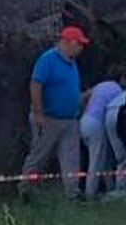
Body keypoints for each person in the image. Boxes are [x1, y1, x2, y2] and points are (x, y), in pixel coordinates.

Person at [18, 26, 90, 202]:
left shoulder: (73, 64)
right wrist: (39, 113)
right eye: (78, 43)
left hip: (70, 120)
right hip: (48, 118)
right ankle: (26, 190)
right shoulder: (48, 60)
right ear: (66, 42)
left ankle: (73, 195)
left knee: (71, 159)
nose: (81, 47)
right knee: (39, 156)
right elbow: (36, 85)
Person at [80, 67, 126, 200]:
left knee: (103, 159)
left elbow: (83, 97)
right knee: (96, 162)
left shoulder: (100, 86)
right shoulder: (118, 91)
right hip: (97, 124)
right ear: (121, 78)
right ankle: (90, 194)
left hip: (85, 121)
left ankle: (110, 188)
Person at [105, 85, 126, 195]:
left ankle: (122, 188)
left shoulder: (122, 93)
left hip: (110, 110)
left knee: (121, 157)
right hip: (125, 110)